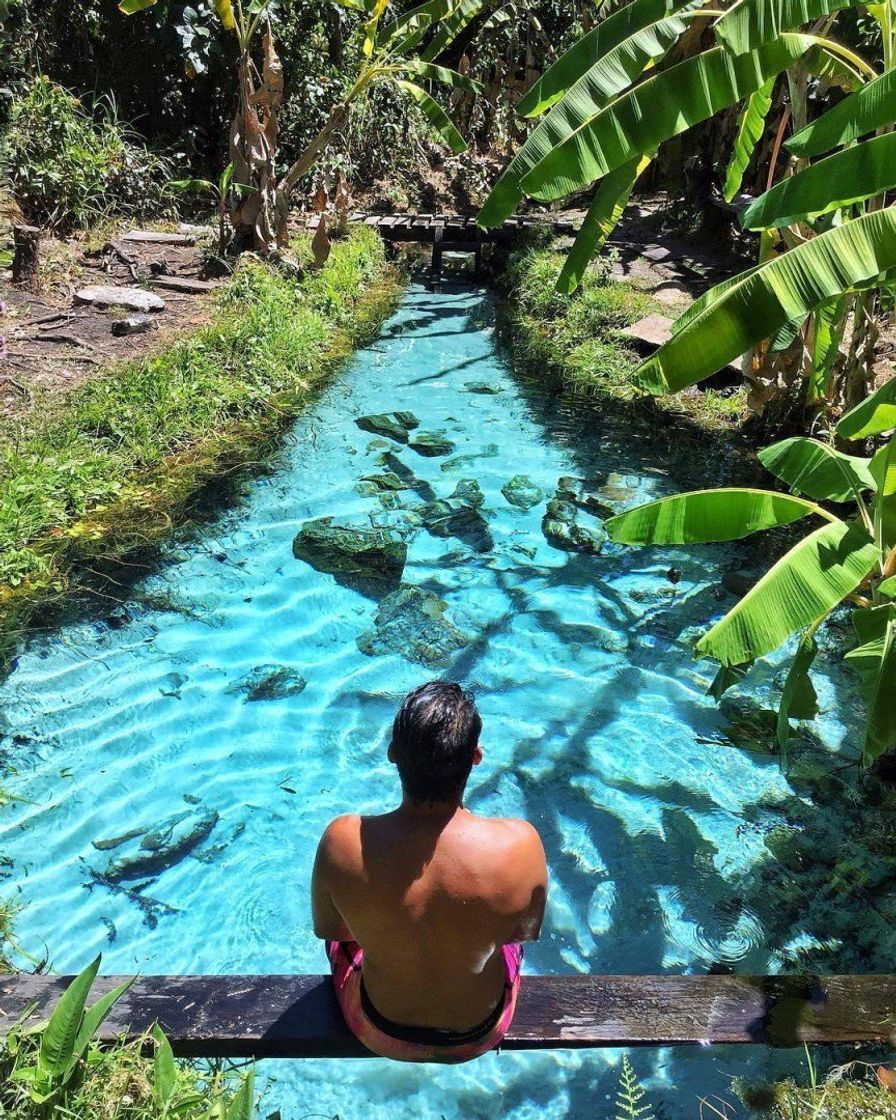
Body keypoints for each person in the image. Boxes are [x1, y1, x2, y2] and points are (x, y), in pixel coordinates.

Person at [311, 680, 548, 1063]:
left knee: (347, 936)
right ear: (476, 757)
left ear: (392, 754)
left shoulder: (343, 840)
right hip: (480, 1032)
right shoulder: (521, 844)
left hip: (379, 1028)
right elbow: (523, 933)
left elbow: (331, 931)